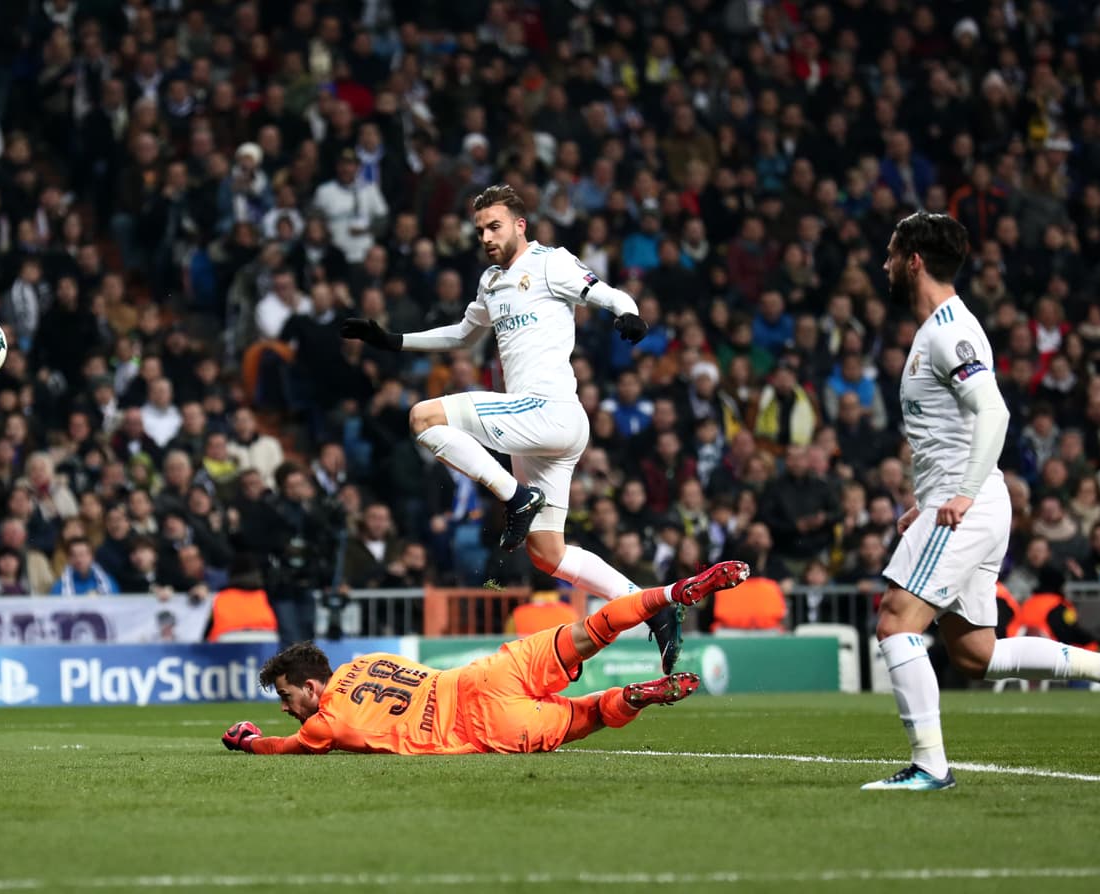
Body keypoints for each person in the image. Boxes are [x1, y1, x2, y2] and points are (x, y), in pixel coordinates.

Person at [865, 212, 1100, 792]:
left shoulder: (950, 331)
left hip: (968, 505)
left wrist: (962, 493)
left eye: (892, 254)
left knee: (896, 621)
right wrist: (929, 501)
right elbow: (951, 432)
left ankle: (930, 767)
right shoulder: (936, 330)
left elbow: (993, 411)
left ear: (914, 261)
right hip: (958, 502)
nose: (885, 264)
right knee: (975, 655)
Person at [340, 184, 685, 672]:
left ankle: (515, 497)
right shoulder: (490, 281)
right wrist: (392, 340)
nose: (485, 236)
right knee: (548, 555)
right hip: (539, 428)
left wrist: (627, 313)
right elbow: (461, 333)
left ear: (520, 225)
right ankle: (653, 606)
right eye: (479, 229)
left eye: (494, 226)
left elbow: (606, 292)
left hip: (548, 409)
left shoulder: (550, 261)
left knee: (422, 416)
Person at [221, 560, 749, 755]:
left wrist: (249, 741)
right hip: (485, 675)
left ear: (313, 687)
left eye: (289, 697)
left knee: (587, 715)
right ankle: (671, 593)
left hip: (482, 723)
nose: (289, 709)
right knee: (589, 630)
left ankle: (630, 699)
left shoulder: (326, 724)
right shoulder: (368, 659)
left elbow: (282, 745)